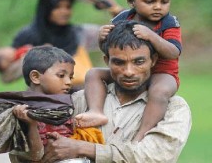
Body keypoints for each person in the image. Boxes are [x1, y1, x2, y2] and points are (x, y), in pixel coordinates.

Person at [41, 20, 191, 163]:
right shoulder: (82, 99)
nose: (129, 72)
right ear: (107, 61)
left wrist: (83, 148)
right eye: (119, 62)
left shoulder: (174, 108)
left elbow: (151, 156)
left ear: (153, 60)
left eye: (139, 62)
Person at [75, 0, 182, 142]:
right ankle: (96, 111)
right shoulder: (122, 19)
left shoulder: (169, 22)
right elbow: (112, 52)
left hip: (162, 73)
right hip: (127, 68)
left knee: (160, 92)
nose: (158, 7)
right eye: (150, 1)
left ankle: (143, 133)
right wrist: (103, 39)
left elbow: (174, 52)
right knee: (93, 73)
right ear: (131, 1)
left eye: (164, 2)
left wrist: (152, 36)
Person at [9, 45, 104, 163]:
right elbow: (35, 156)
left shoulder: (66, 105)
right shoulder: (22, 112)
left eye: (70, 77)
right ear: (36, 77)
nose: (69, 82)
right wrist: (31, 125)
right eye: (61, 76)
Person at [0, 0, 96, 91]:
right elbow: (6, 76)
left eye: (68, 7)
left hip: (79, 93)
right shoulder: (28, 35)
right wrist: (37, 56)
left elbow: (109, 34)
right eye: (57, 7)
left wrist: (107, 4)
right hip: (42, 99)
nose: (64, 11)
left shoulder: (78, 33)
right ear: (46, 9)